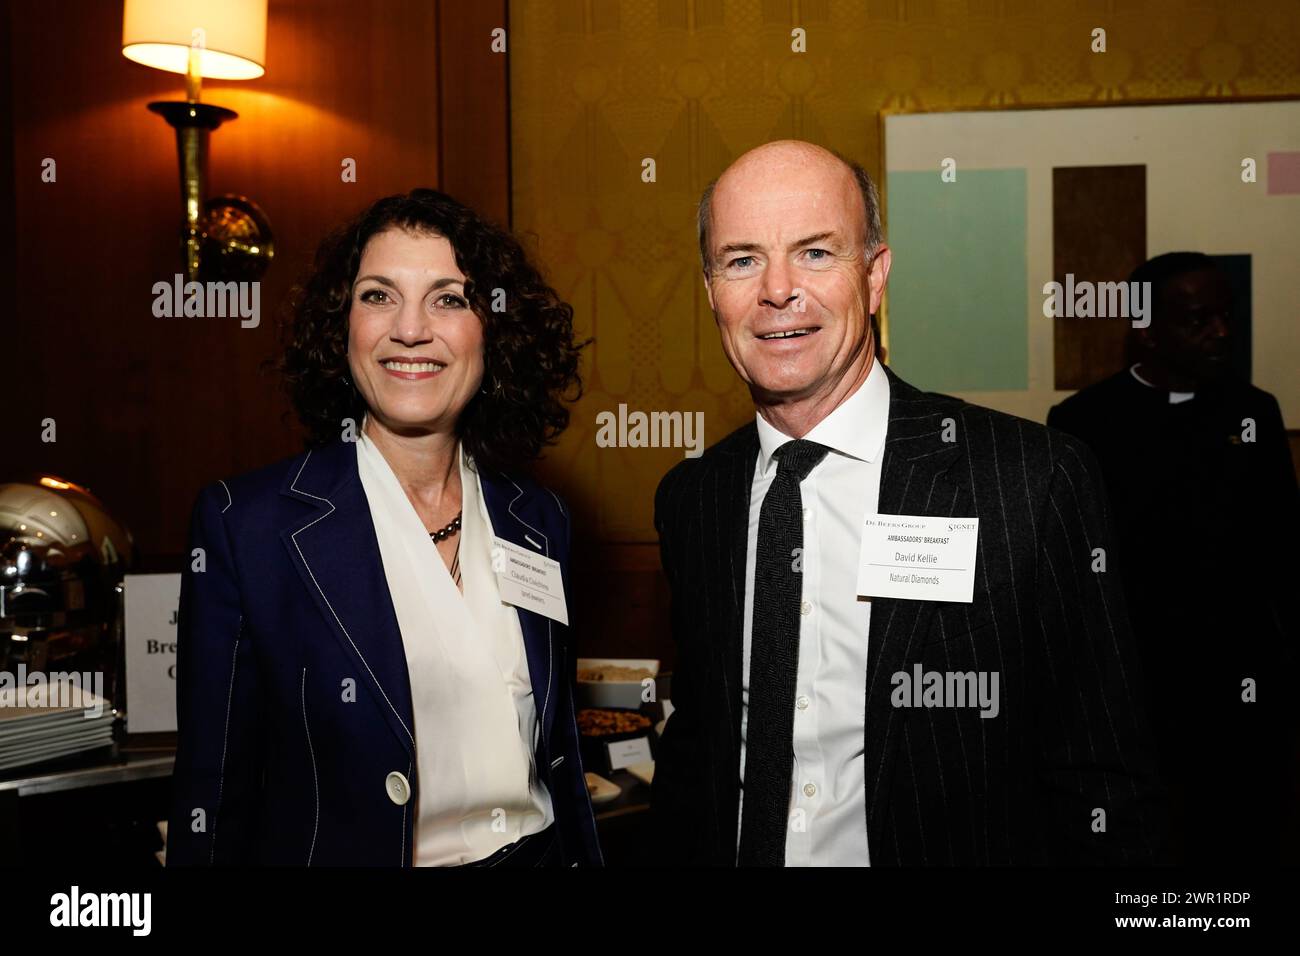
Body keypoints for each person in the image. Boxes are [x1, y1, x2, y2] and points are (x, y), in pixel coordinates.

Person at [651, 140, 1167, 866]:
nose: (777, 290)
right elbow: (701, 746)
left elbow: (1105, 775)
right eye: (741, 260)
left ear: (875, 275)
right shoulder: (693, 500)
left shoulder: (1030, 478)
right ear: (711, 291)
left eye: (816, 254)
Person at [167, 188, 602, 867]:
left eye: (449, 298)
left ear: (492, 330)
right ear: (341, 327)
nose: (409, 328)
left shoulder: (538, 518)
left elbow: (558, 747)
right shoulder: (248, 528)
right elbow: (212, 791)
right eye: (378, 296)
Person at [1048, 252, 1299, 864]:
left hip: (1238, 687)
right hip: (1132, 685)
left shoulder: (1252, 413)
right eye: (1197, 318)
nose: (1221, 332)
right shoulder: (1083, 422)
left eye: (1225, 315)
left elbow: (1283, 553)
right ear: (1146, 327)